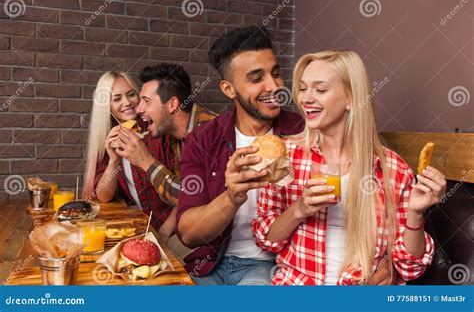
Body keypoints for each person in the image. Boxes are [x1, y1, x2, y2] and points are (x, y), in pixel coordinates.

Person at [252, 50, 447, 285]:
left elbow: (410, 267)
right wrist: (299, 209)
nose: (306, 98)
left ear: (352, 98)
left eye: (320, 90)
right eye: (303, 88)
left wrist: (415, 214)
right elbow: (267, 240)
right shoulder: (286, 156)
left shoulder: (393, 169)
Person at [176, 26, 305, 285]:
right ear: (229, 89)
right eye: (257, 78)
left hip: (269, 265)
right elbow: (189, 234)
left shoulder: (303, 131)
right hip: (209, 264)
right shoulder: (202, 140)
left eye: (276, 74)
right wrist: (232, 198)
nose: (274, 86)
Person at [114, 63, 215, 243]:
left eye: (146, 101)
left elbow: (195, 198)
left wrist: (145, 161)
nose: (138, 109)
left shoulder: (209, 133)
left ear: (173, 105)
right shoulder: (174, 136)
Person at [83, 71, 175, 232]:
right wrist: (113, 161)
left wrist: (165, 233)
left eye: (131, 94)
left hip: (174, 230)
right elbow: (104, 197)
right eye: (117, 99)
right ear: (107, 106)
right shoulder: (110, 139)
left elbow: (184, 195)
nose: (127, 102)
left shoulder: (158, 132)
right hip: (139, 229)